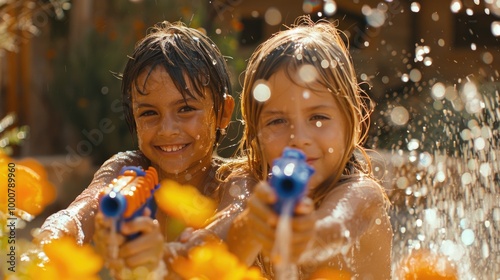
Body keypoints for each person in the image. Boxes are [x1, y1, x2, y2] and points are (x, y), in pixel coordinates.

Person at [34, 21, 253, 278]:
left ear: (224, 113)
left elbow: (224, 235)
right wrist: (49, 241)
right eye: (149, 113)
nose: (167, 129)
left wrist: (161, 255)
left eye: (185, 109)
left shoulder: (234, 181)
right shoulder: (127, 172)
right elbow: (78, 214)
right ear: (134, 118)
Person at [225, 16, 393, 279]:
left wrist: (306, 235)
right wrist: (248, 227)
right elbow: (213, 244)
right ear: (255, 133)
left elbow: (336, 227)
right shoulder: (246, 187)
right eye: (277, 121)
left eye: (318, 118)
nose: (298, 138)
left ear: (353, 120)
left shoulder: (362, 195)